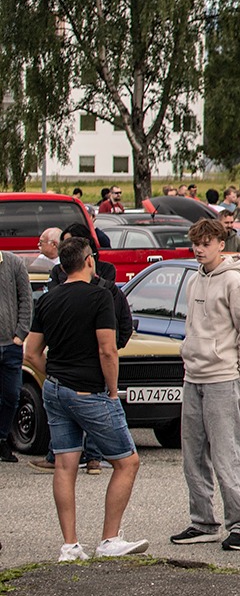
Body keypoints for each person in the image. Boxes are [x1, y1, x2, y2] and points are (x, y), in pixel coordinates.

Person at [24, 238, 148, 562]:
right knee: (127, 462)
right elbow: (107, 348)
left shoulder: (48, 300)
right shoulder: (100, 296)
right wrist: (111, 389)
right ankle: (109, 539)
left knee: (65, 464)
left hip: (54, 389)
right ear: (89, 260)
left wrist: (54, 373)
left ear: (62, 266)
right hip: (89, 391)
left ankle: (70, 545)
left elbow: (30, 352)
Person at [170, 218, 240, 551]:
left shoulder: (234, 283)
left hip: (223, 377)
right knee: (192, 455)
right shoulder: (194, 281)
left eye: (206, 243)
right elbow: (192, 325)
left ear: (221, 244)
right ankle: (203, 521)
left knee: (227, 455)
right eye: (196, 243)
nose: (199, 249)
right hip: (193, 376)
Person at [0, 244, 30, 462]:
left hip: (11, 345)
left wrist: (20, 334)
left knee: (12, 394)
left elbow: (26, 300)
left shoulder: (14, 264)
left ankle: (2, 438)